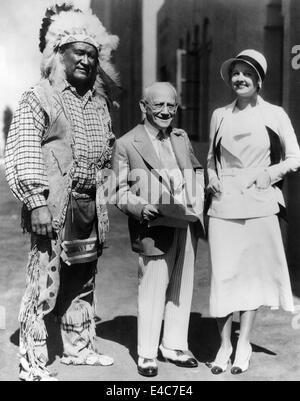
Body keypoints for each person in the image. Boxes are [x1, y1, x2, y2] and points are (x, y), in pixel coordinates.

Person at [5, 4, 119, 381]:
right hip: (53, 206)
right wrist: (35, 201)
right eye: (79, 52)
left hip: (89, 204)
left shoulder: (100, 103)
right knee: (45, 281)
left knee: (82, 278)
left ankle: (79, 348)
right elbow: (21, 149)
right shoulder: (40, 96)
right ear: (60, 53)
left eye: (92, 54)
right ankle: (32, 362)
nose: (86, 60)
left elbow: (108, 152)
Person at [206, 49, 300, 375]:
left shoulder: (275, 114)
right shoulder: (219, 115)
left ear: (258, 80)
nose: (240, 79)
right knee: (223, 276)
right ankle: (224, 345)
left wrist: (270, 174)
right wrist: (213, 178)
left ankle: (242, 344)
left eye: (247, 73)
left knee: (250, 277)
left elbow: (294, 157)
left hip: (260, 204)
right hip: (223, 205)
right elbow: (210, 159)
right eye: (235, 73)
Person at [112, 82, 205, 377]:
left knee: (181, 285)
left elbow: (196, 168)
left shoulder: (180, 137)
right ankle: (148, 354)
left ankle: (174, 346)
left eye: (171, 106)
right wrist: (141, 207)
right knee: (152, 288)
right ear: (144, 107)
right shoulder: (127, 143)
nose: (166, 111)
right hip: (153, 223)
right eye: (159, 105)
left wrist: (198, 190)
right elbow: (117, 189)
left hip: (186, 221)